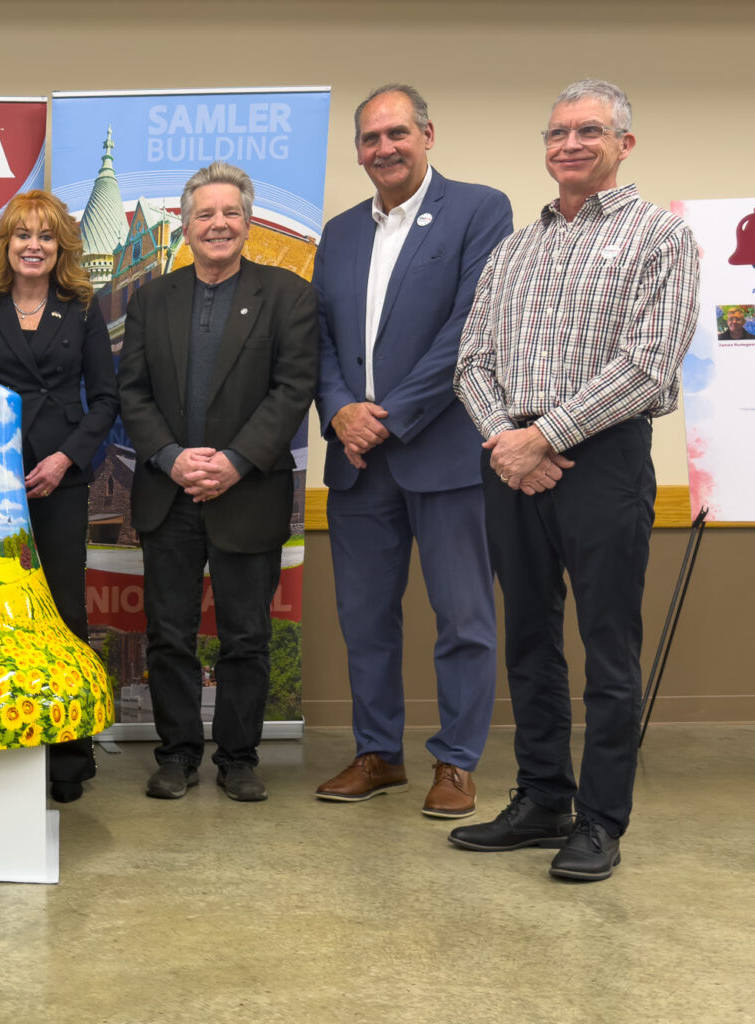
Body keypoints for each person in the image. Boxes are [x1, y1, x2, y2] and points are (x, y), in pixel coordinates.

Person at [451, 79, 699, 881]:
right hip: (510, 461)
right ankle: (542, 798)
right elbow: (471, 362)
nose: (570, 143)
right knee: (526, 638)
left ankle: (599, 821)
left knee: (608, 650)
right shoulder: (514, 249)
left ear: (624, 143)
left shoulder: (660, 237)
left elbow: (649, 364)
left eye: (589, 130)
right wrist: (506, 440)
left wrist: (544, 437)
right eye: (558, 132)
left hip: (603, 460)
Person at [309, 85, 512, 819]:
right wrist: (339, 411)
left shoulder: (479, 210)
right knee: (365, 617)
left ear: (427, 134)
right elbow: (322, 338)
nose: (383, 148)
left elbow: (469, 329)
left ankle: (456, 763)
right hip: (358, 465)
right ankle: (378, 754)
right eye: (369, 138)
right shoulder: (337, 233)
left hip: (444, 454)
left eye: (397, 133)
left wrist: (385, 418)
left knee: (463, 619)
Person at [117, 161, 317, 804]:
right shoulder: (153, 298)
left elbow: (293, 390)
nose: (218, 224)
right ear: (185, 224)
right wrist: (172, 456)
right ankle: (177, 753)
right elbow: (133, 391)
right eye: (205, 214)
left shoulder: (288, 294)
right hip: (167, 490)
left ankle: (238, 756)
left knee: (246, 636)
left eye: (231, 213)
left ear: (249, 221)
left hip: (248, 490)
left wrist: (233, 461)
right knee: (169, 634)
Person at [0, 190, 118, 804]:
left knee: (64, 613)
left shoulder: (83, 306)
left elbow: (106, 400)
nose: (34, 245)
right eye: (23, 235)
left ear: (61, 246)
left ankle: (68, 758)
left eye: (46, 235)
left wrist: (67, 456)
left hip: (61, 479)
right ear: (5, 245)